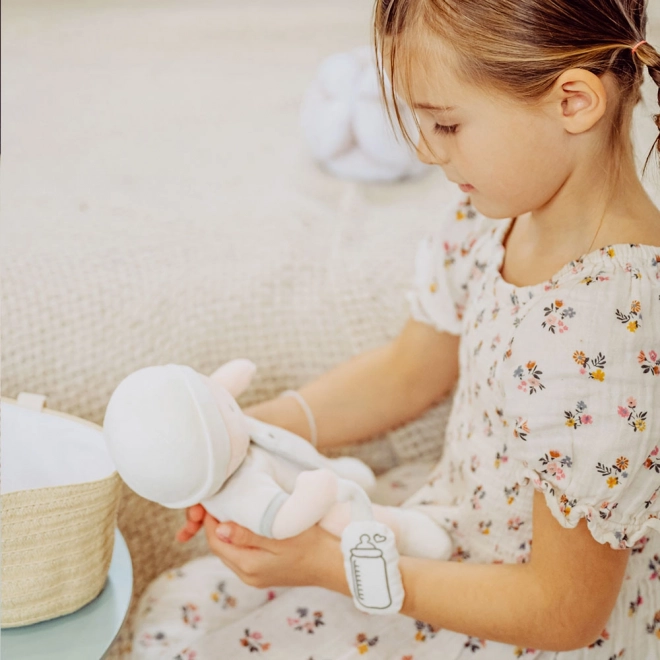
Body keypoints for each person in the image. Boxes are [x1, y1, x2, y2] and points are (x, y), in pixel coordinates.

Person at [129, 0, 660, 658]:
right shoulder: (496, 216)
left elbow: (562, 612)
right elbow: (411, 370)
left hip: (515, 617)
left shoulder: (611, 337)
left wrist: (327, 566)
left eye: (446, 122)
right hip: (442, 533)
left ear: (574, 102)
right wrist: (239, 437)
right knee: (182, 610)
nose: (423, 148)